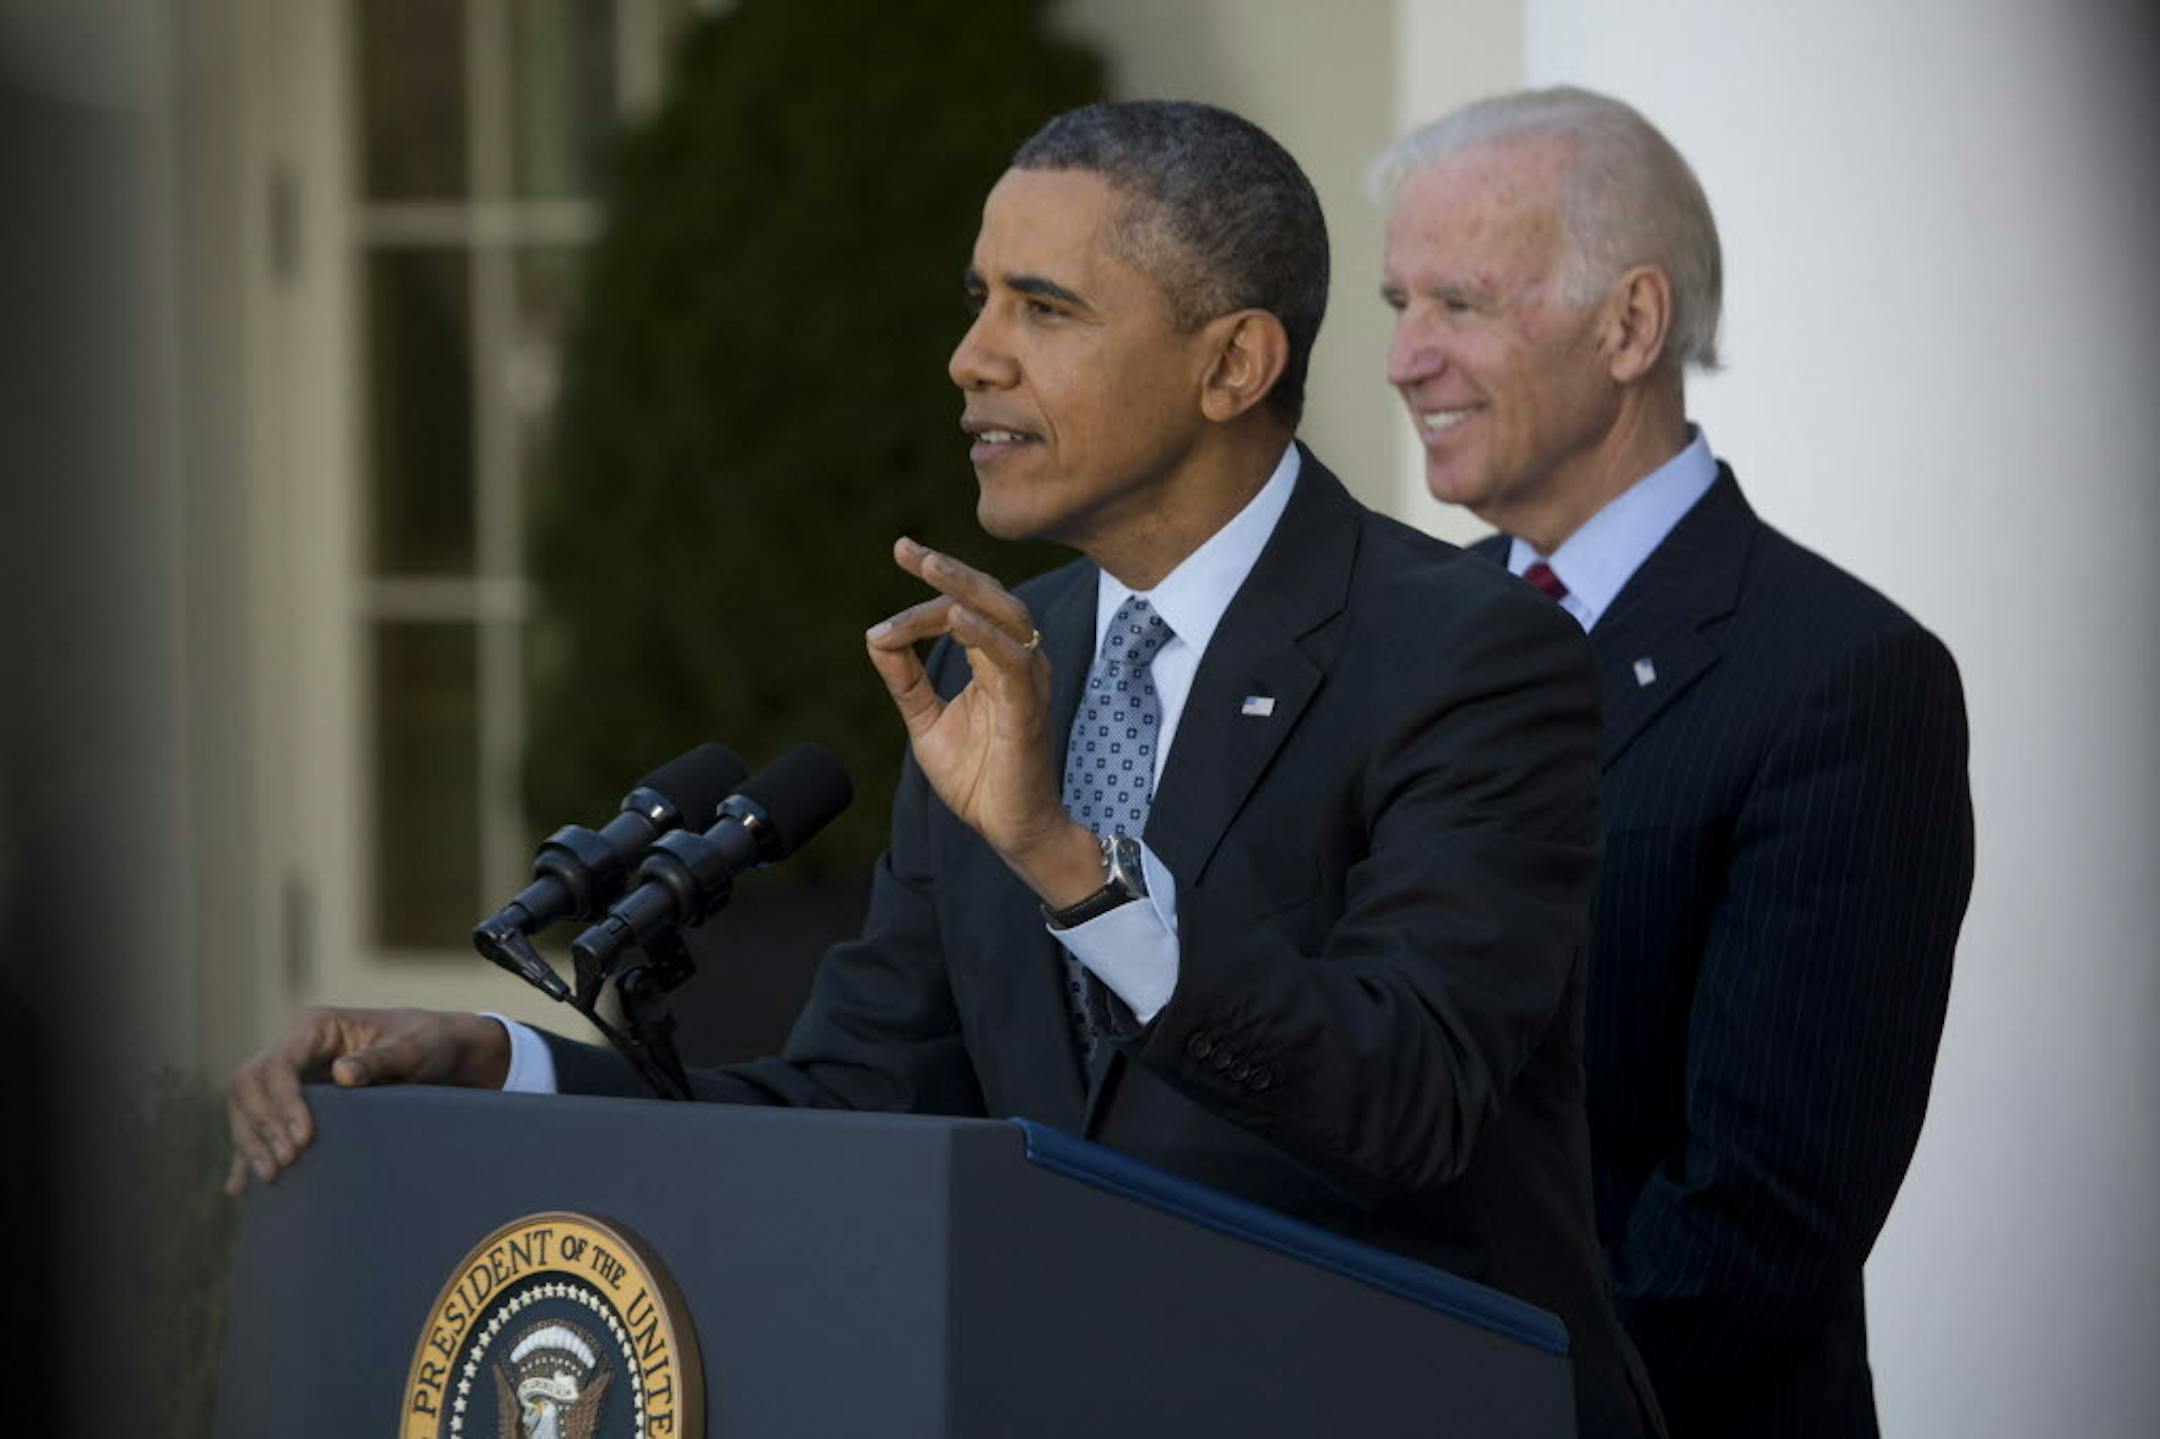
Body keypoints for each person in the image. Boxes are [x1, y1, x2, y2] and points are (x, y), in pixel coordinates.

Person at [230, 100, 1659, 1435]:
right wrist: (505, 1075)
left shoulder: (1471, 658)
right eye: (979, 302)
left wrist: (1067, 865)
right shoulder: (999, 659)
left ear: (1233, 364)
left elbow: (1407, 1100)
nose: (973, 356)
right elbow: (861, 1105)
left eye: (1044, 309)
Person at [1376, 86, 1975, 1437]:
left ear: (1632, 324)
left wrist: (1483, 1405)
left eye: (1459, 304)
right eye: (1395, 306)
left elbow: (1760, 1224)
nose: (1408, 359)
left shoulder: (1840, 678)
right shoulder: (1398, 636)